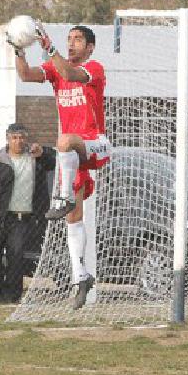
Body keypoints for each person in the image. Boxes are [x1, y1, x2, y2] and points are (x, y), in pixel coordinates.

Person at [8, 23, 111, 310]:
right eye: (69, 39)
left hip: (95, 143)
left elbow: (69, 72)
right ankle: (81, 277)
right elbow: (26, 75)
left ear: (90, 47)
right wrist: (18, 48)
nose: (72, 43)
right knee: (73, 218)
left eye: (77, 39)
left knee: (63, 141)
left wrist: (49, 47)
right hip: (74, 158)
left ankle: (63, 197)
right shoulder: (54, 69)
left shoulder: (94, 68)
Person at [0, 123, 56, 302]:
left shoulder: (35, 158)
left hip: (20, 217)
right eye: (14, 138)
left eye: (21, 137)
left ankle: (12, 294)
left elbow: (53, 162)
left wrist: (44, 152)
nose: (18, 141)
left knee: (16, 256)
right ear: (8, 139)